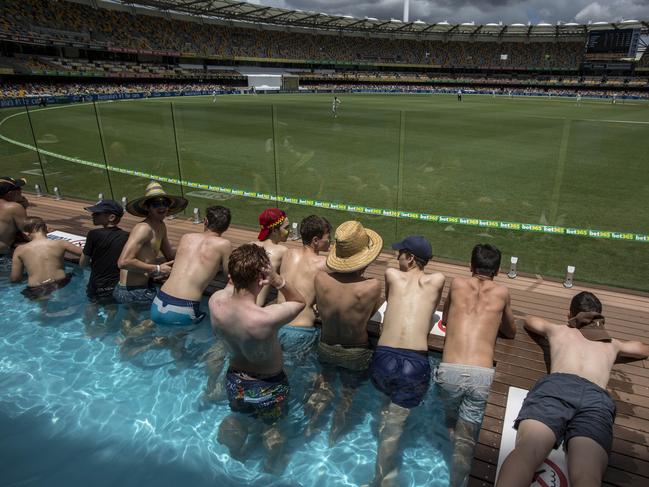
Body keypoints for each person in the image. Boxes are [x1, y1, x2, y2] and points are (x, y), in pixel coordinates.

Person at [496, 292, 649, 487]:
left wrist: (568, 323)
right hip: (596, 400)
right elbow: (643, 349)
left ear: (570, 314)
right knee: (587, 474)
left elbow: (530, 321)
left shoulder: (559, 330)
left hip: (557, 388)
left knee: (527, 452)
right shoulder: (612, 343)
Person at [209, 244, 306, 473]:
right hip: (269, 386)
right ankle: (272, 464)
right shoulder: (265, 317)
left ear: (230, 275)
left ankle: (236, 453)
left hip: (235, 381)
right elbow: (299, 301)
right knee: (272, 426)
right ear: (262, 277)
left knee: (239, 417)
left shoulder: (215, 301)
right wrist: (277, 280)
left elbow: (230, 286)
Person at [435, 243, 516, 487]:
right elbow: (511, 331)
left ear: (470, 265)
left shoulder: (457, 284)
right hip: (482, 375)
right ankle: (457, 479)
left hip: (449, 371)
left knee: (449, 420)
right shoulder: (502, 292)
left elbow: (446, 319)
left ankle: (450, 434)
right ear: (498, 270)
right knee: (467, 437)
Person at [368, 236, 446, 487]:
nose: (395, 258)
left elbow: (391, 302)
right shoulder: (438, 280)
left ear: (410, 258)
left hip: (384, 357)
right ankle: (383, 478)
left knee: (384, 405)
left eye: (400, 253)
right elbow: (431, 306)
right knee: (396, 427)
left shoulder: (391, 275)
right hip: (415, 362)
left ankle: (380, 475)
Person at [305, 220, 383, 444]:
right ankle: (334, 434)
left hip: (325, 347)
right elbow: (370, 313)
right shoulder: (372, 286)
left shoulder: (320, 279)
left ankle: (311, 426)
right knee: (347, 396)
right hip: (355, 352)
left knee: (323, 386)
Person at [151, 205, 232, 326]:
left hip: (158, 302)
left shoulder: (186, 237)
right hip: (183, 308)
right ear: (227, 227)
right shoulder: (224, 245)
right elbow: (229, 276)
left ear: (205, 221)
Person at [115, 181, 187, 307]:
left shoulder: (161, 225)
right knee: (156, 320)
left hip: (143, 287)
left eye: (165, 203)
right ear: (147, 207)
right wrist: (158, 268)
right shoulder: (143, 228)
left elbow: (170, 255)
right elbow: (123, 262)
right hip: (130, 291)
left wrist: (195, 257)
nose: (162, 207)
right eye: (156, 204)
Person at [277, 215, 331, 361]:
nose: (330, 240)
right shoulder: (323, 263)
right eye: (328, 236)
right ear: (315, 240)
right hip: (301, 331)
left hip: (276, 325)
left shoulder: (288, 254)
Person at [10, 217, 82, 299]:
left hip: (36, 288)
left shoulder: (19, 250)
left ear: (26, 233)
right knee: (75, 273)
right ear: (46, 229)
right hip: (61, 282)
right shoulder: (61, 243)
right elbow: (86, 254)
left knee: (43, 308)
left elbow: (15, 278)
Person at [80, 199, 129, 302]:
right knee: (112, 309)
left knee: (92, 307)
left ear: (111, 217)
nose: (92, 215)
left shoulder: (94, 234)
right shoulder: (127, 236)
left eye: (97, 213)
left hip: (96, 284)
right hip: (115, 285)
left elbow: (83, 263)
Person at [252, 208, 289, 306]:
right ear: (275, 230)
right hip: (255, 309)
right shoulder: (282, 251)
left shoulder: (249, 245)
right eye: (286, 228)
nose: (289, 231)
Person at [0, 176, 28, 271]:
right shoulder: (14, 207)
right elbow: (28, 234)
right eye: (18, 188)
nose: (21, 191)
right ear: (10, 193)